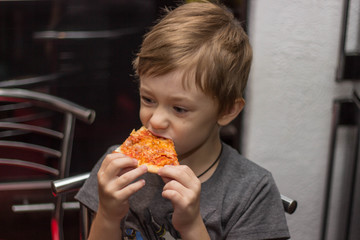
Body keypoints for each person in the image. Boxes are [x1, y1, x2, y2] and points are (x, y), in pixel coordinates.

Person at [75, 1, 290, 239]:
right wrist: (108, 214)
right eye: (148, 99)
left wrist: (191, 227)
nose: (155, 120)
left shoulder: (252, 191)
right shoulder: (116, 168)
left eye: (179, 109)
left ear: (227, 110)